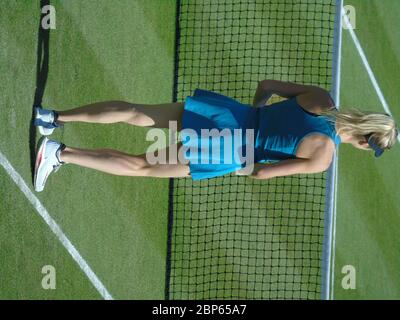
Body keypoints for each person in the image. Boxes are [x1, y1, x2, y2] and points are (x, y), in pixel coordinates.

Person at [33, 80, 398, 192]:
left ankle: (52, 117)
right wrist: (242, 155)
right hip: (228, 150)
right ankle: (58, 153)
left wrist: (254, 114)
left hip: (228, 113)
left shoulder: (322, 98)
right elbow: (258, 172)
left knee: (136, 112)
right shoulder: (323, 157)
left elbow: (266, 87)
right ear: (366, 141)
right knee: (142, 166)